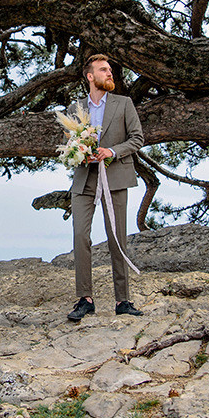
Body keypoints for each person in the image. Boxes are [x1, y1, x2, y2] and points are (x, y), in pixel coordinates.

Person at [66, 54, 145, 322]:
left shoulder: (124, 104)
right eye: (103, 70)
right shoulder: (75, 107)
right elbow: (67, 144)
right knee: (80, 237)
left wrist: (111, 150)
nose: (109, 73)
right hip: (84, 180)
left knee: (117, 238)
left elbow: (137, 138)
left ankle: (123, 300)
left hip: (116, 178)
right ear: (90, 76)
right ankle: (85, 299)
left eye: (110, 69)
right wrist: (79, 153)